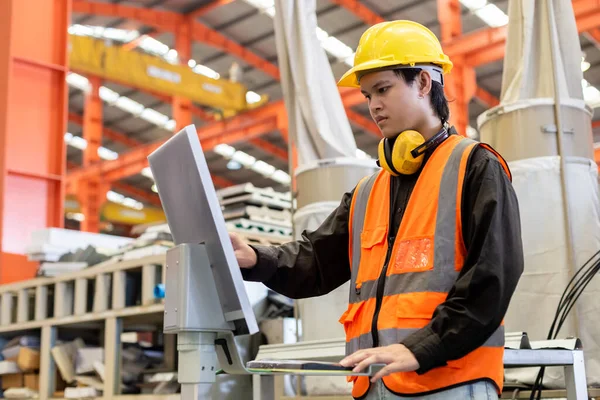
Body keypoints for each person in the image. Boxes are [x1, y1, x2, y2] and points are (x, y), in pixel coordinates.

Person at [230, 20, 524, 400]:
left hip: (450, 381)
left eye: (383, 89)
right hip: (376, 384)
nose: (373, 106)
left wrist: (421, 348)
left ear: (422, 82)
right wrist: (255, 257)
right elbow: (317, 260)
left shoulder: (475, 167)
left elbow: (493, 276)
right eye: (368, 95)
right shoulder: (370, 191)